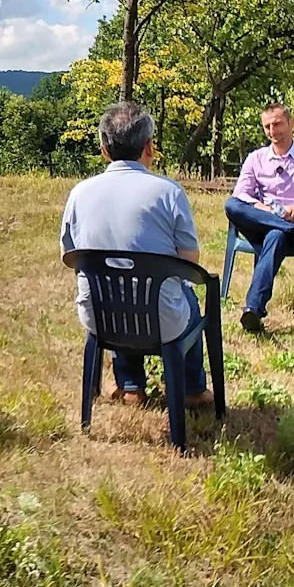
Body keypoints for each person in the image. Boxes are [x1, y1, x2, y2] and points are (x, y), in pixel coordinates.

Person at [60, 102, 212, 409]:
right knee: (186, 296)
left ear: (104, 149)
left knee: (117, 289)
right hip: (163, 322)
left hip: (99, 318)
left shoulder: (80, 193)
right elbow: (189, 260)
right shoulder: (168, 192)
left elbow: (68, 255)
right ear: (149, 147)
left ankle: (130, 386)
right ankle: (192, 390)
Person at [226, 103, 294, 334]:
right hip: (263, 221)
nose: (272, 131)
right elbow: (241, 194)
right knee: (231, 205)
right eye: (267, 126)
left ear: (292, 124)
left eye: (277, 124)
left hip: (292, 223)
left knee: (276, 236)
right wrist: (264, 209)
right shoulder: (256, 158)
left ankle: (253, 310)